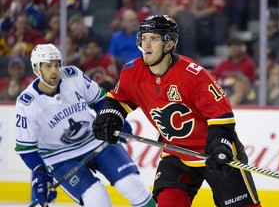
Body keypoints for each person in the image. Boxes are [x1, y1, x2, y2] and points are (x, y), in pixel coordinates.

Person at [92, 15, 262, 207]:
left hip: (213, 152)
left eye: (154, 39)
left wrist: (219, 143)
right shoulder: (132, 71)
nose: (146, 44)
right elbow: (119, 100)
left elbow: (220, 115)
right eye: (144, 37)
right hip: (176, 153)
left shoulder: (194, 75)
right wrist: (110, 116)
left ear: (169, 44)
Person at [14, 44, 156, 207]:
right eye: (48, 66)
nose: (54, 71)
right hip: (61, 156)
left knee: (131, 185)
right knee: (97, 199)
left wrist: (112, 118)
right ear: (36, 69)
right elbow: (27, 149)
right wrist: (40, 174)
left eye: (57, 64)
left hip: (96, 140)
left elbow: (99, 100)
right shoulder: (27, 103)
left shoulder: (73, 76)